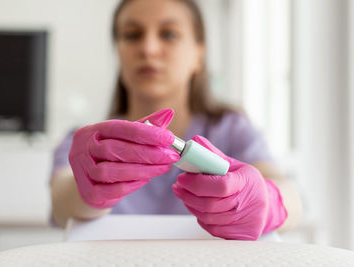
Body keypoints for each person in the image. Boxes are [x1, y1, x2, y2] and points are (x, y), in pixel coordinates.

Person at [50, 0, 302, 240]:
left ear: (198, 55)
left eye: (169, 34)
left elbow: (292, 198)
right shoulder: (88, 144)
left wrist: (269, 203)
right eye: (132, 35)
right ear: (118, 50)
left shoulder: (232, 129)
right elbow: (60, 203)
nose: (148, 48)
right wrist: (89, 190)